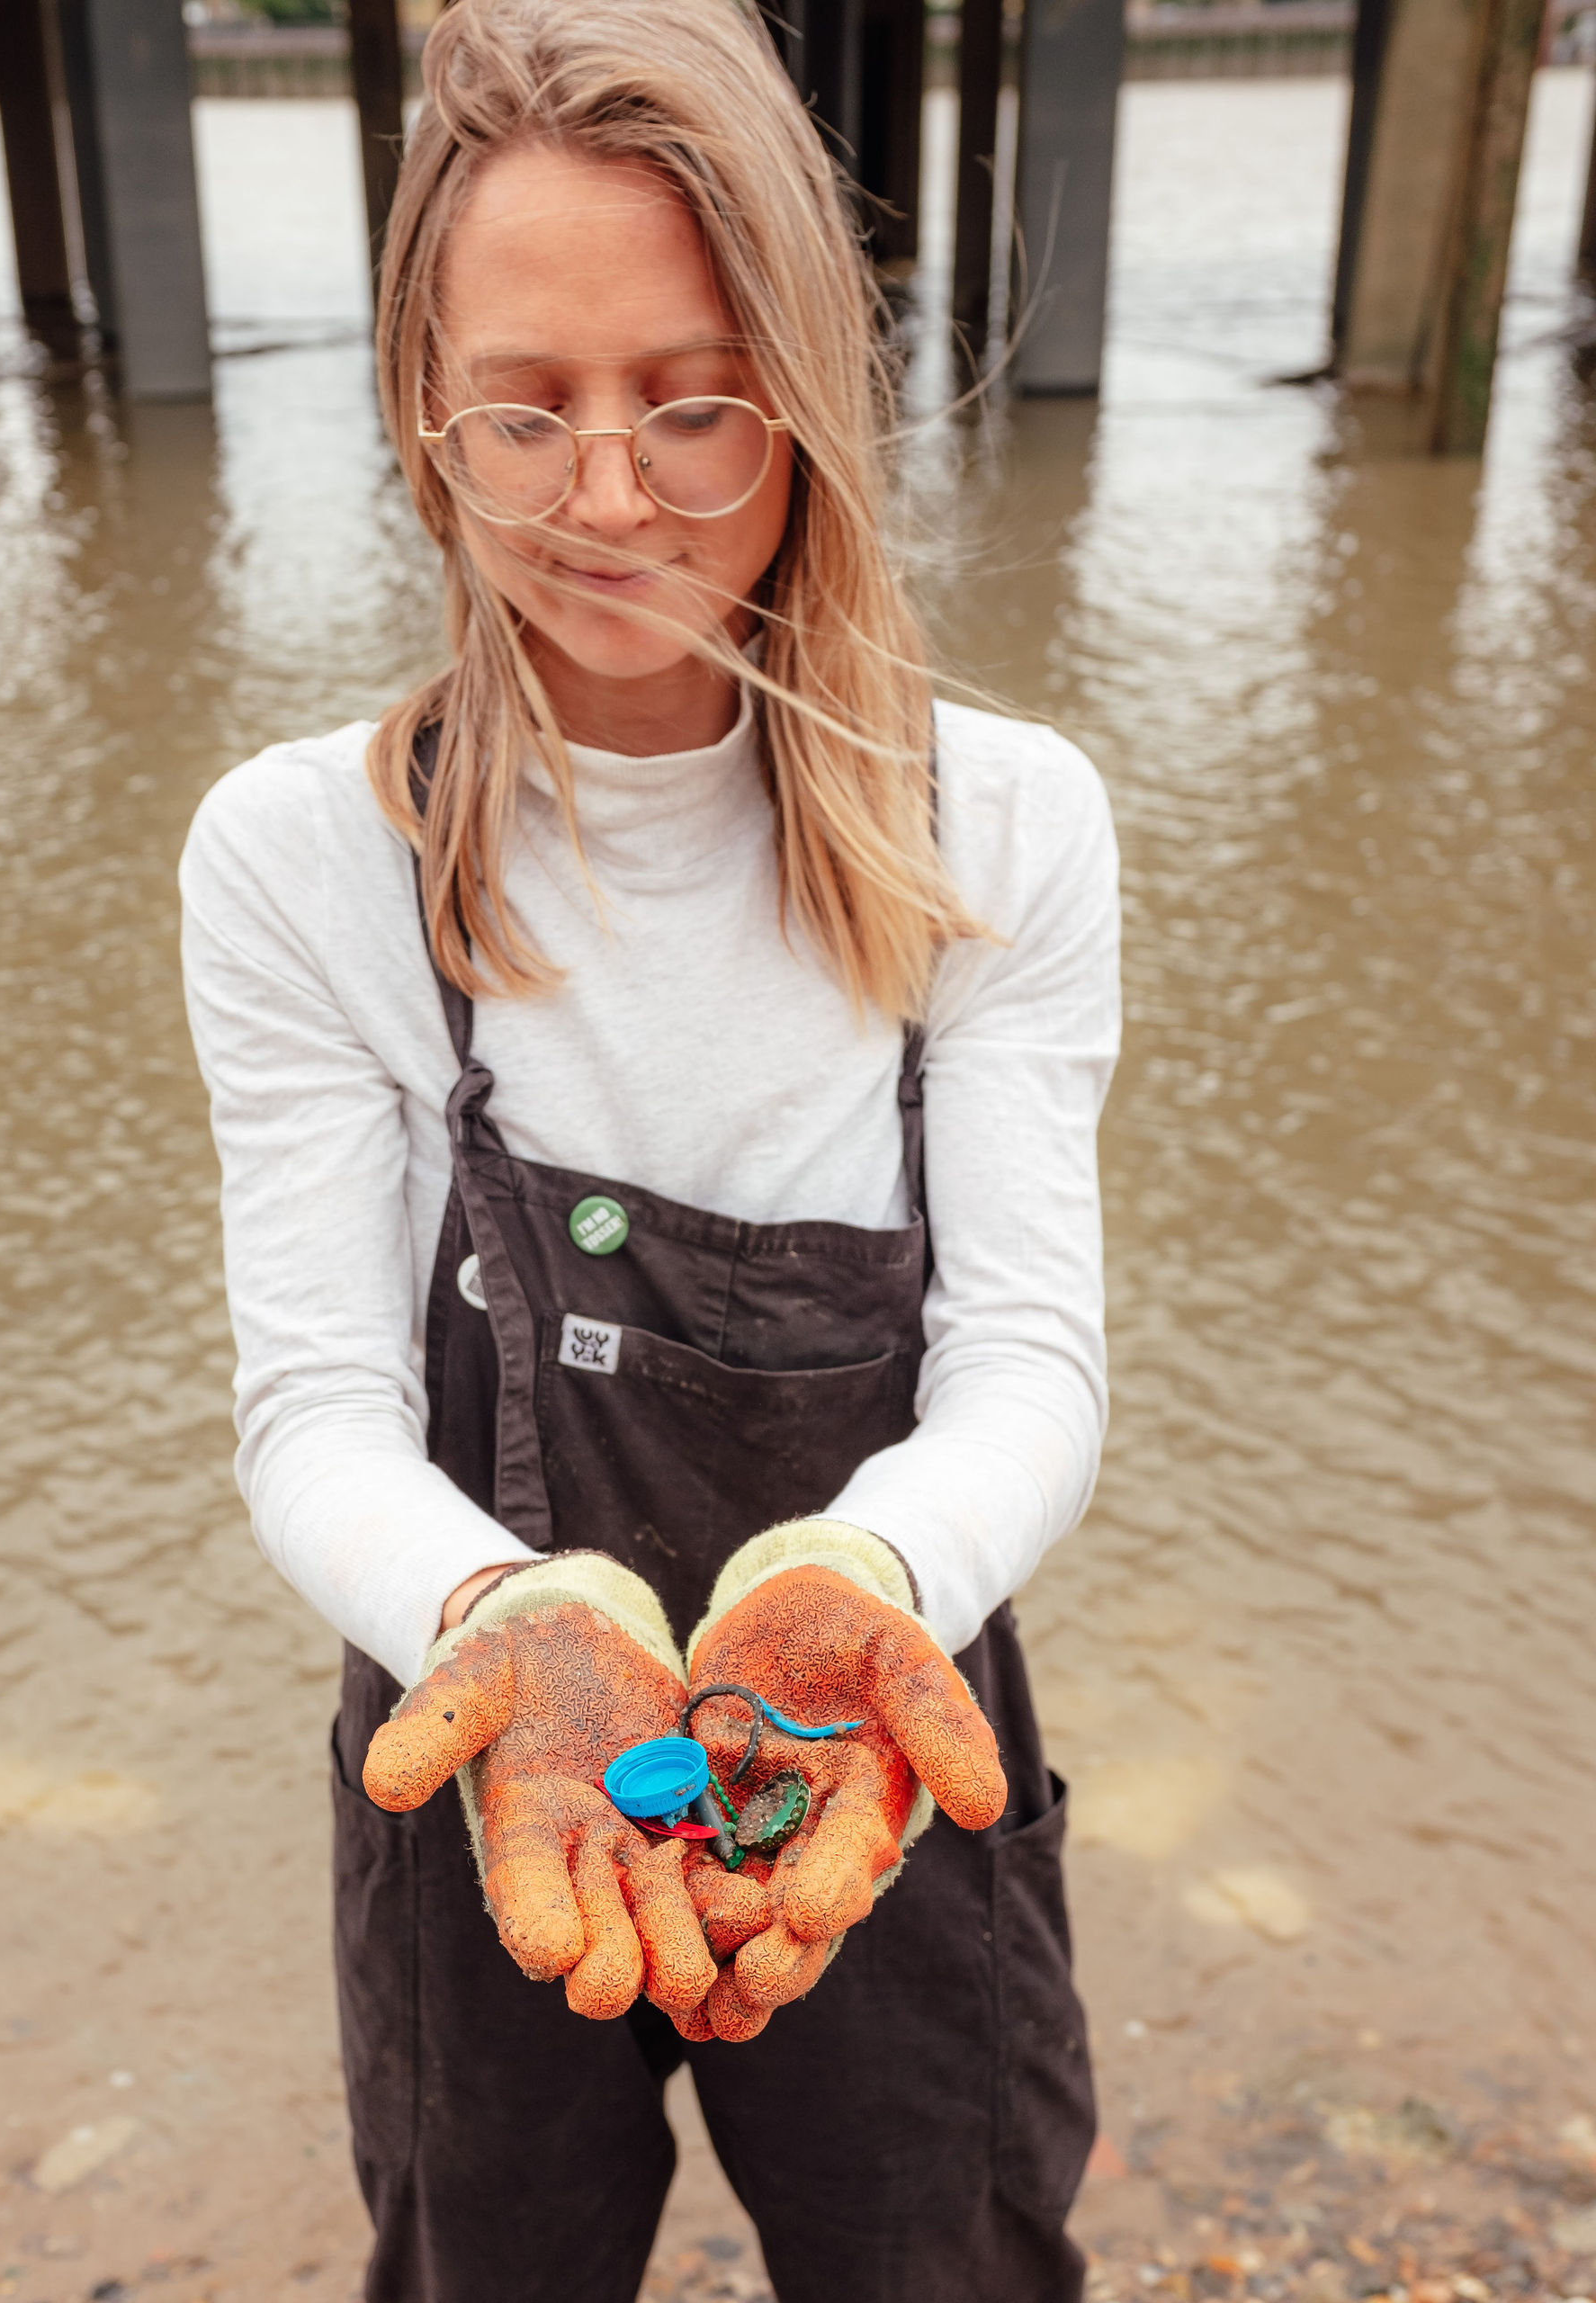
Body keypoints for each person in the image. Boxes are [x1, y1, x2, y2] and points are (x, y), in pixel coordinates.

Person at [179, 1, 1121, 2297]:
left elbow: (1028, 1370)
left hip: (867, 1729)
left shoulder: (999, 818)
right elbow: (316, 1415)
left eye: (692, 401)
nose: (609, 497)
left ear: (805, 387)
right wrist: (508, 1616)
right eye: (528, 408)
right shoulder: (303, 855)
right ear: (425, 416)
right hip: (491, 1726)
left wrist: (865, 1578)